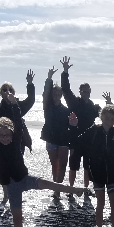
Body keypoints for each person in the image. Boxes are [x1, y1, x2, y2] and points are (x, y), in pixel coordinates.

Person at [0, 98, 87, 227]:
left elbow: (18, 123)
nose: (5, 138)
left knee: (48, 184)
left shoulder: (15, 141)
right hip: (12, 186)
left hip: (25, 179)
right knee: (17, 218)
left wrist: (15, 105)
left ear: (11, 133)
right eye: (1, 135)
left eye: (7, 134)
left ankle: (75, 190)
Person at [60, 57, 101, 190]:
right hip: (75, 138)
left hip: (89, 140)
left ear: (90, 92)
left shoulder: (93, 107)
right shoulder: (74, 102)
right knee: (73, 165)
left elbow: (107, 115)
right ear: (80, 92)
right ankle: (71, 188)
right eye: (83, 91)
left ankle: (85, 188)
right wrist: (65, 72)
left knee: (87, 166)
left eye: (88, 91)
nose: (86, 93)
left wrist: (109, 103)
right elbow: (65, 89)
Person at [0, 68, 35, 155]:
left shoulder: (19, 106)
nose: (7, 92)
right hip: (0, 140)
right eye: (4, 90)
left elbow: (31, 100)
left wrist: (30, 83)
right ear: (1, 93)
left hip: (18, 142)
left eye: (10, 90)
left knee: (17, 165)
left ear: (13, 93)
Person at [42, 67, 72, 197]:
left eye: (58, 94)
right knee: (55, 164)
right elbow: (46, 92)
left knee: (63, 164)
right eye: (54, 94)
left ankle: (58, 189)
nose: (56, 96)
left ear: (61, 95)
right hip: (51, 138)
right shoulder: (47, 106)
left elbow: (71, 125)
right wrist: (49, 78)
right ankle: (56, 187)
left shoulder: (66, 110)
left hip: (64, 140)